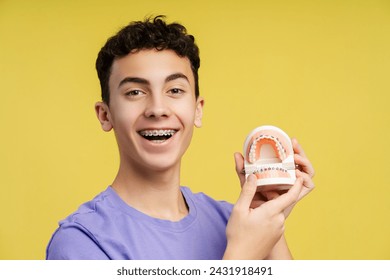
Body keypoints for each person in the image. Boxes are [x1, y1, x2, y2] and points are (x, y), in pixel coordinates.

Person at [46, 16, 315, 260]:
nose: (158, 109)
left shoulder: (233, 222)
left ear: (197, 110)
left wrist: (270, 219)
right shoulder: (81, 242)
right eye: (135, 93)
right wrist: (240, 257)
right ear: (105, 115)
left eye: (175, 90)